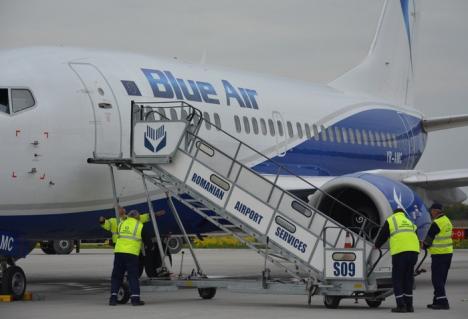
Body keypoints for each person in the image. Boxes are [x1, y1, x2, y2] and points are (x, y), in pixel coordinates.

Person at [375, 208, 420, 313]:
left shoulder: (391, 220)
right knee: (408, 278)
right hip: (414, 252)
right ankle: (409, 305)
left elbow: (383, 234)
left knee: (397, 279)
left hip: (400, 252)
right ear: (403, 214)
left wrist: (377, 245)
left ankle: (401, 305)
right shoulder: (409, 222)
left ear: (394, 213)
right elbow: (416, 235)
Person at [109, 210, 145, 306]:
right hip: (131, 253)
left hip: (119, 252)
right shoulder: (140, 225)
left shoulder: (121, 224)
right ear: (137, 217)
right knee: (133, 276)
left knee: (116, 276)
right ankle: (135, 299)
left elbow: (116, 236)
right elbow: (146, 238)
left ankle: (113, 298)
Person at [423, 203, 453, 310]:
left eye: (431, 210)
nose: (431, 212)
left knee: (437, 279)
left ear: (436, 211)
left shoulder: (437, 223)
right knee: (442, 278)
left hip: (439, 254)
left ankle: (443, 302)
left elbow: (428, 240)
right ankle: (437, 300)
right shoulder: (447, 221)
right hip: (448, 253)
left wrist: (423, 245)